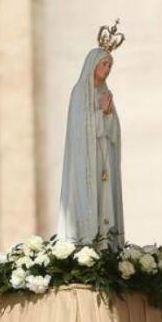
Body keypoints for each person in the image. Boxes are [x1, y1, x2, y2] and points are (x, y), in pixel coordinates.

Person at [57, 21, 125, 248]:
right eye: (104, 65)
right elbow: (80, 129)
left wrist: (107, 116)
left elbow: (114, 129)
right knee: (89, 203)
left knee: (105, 202)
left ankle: (106, 247)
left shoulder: (106, 93)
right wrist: (101, 114)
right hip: (86, 161)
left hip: (103, 157)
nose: (107, 70)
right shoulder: (79, 93)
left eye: (109, 67)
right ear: (93, 65)